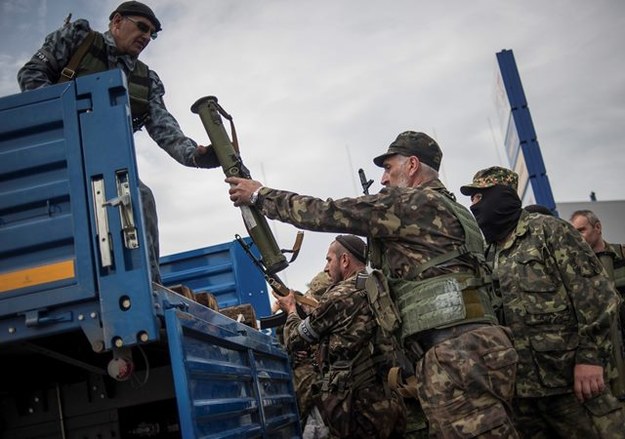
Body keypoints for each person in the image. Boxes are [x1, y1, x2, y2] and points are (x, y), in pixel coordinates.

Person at [227, 131, 520, 437]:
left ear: (412, 165)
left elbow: (327, 212)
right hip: (479, 345)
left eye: (389, 168)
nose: (383, 180)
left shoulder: (412, 203)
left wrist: (261, 195)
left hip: (454, 353)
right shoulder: (458, 212)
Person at [17, 1, 220, 283]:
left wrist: (195, 156)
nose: (147, 37)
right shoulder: (78, 40)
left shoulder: (144, 80)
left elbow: (164, 127)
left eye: (152, 34)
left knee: (141, 196)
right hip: (54, 154)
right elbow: (30, 75)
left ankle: (149, 285)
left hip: (106, 161)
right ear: (116, 21)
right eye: (142, 27)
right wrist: (68, 120)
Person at [461, 166, 625, 437]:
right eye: (472, 200)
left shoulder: (548, 231)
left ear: (502, 196)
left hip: (573, 384)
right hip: (523, 396)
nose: (474, 206)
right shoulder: (489, 253)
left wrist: (590, 358)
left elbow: (597, 296)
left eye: (479, 197)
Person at [273, 235, 405, 438]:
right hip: (387, 397)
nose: (327, 266)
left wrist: (291, 309)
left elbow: (295, 338)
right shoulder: (376, 284)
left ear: (344, 260)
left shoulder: (339, 295)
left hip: (357, 405)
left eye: (329, 259)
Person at [570, 209, 625, 400]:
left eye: (581, 230)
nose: (578, 237)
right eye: (574, 233)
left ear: (598, 227)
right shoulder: (575, 269)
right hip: (606, 358)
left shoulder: (621, 255)